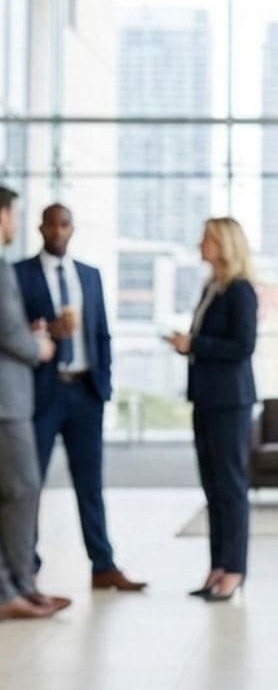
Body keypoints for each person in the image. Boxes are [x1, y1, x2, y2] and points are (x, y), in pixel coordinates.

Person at [15, 204, 147, 592]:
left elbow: (101, 333)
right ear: (41, 228)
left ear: (73, 228)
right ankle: (26, 566)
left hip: (85, 393)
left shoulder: (89, 275)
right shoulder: (19, 274)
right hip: (42, 392)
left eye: (65, 224)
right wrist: (48, 332)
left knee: (90, 484)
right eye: (52, 224)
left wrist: (103, 386)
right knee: (29, 484)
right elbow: (11, 332)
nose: (58, 231)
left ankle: (103, 564)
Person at [166, 217, 257, 602]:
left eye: (206, 238)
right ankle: (218, 567)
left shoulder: (240, 290)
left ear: (224, 244)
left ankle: (235, 570)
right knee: (213, 488)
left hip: (230, 401)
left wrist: (195, 345)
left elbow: (243, 346)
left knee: (231, 488)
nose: (200, 243)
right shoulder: (212, 287)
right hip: (205, 397)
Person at [0, 186, 72, 620]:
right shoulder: (3, 267)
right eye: (11, 215)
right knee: (24, 488)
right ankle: (17, 587)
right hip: (7, 402)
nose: (12, 225)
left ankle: (17, 585)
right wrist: (40, 346)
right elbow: (9, 334)